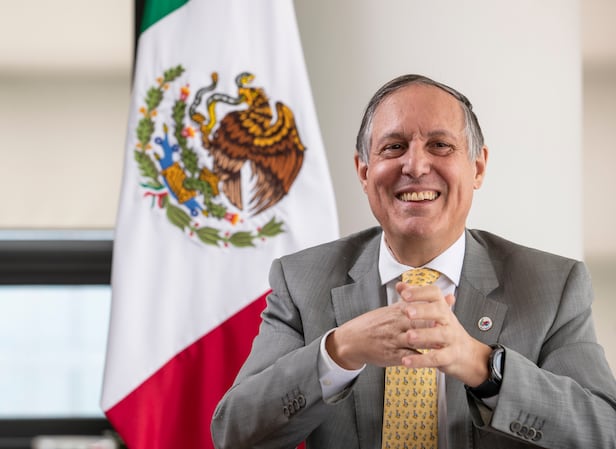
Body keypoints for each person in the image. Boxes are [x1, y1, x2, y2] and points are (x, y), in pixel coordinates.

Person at [210, 74, 616, 448]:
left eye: (440, 145)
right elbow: (234, 433)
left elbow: (604, 431)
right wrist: (338, 351)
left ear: (477, 168)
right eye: (394, 147)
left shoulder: (553, 285)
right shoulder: (300, 281)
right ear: (364, 172)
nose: (416, 166)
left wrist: (482, 365)